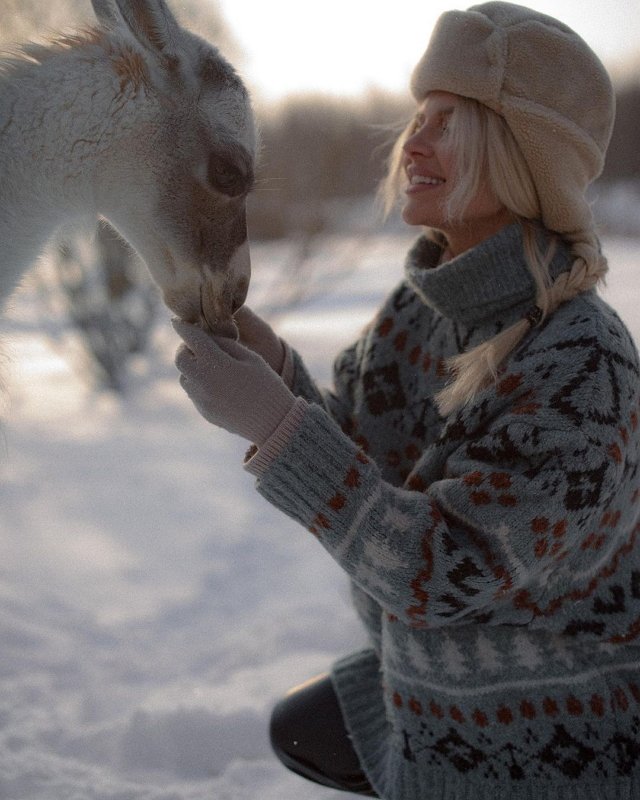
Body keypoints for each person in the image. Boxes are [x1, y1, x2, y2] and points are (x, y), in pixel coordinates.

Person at [173, 3, 640, 798]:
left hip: (552, 741)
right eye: (419, 116)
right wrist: (273, 362)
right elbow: (358, 446)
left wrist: (275, 427)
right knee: (297, 725)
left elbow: (440, 569)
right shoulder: (423, 308)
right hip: (431, 699)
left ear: (524, 157)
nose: (414, 142)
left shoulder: (584, 368)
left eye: (451, 123)